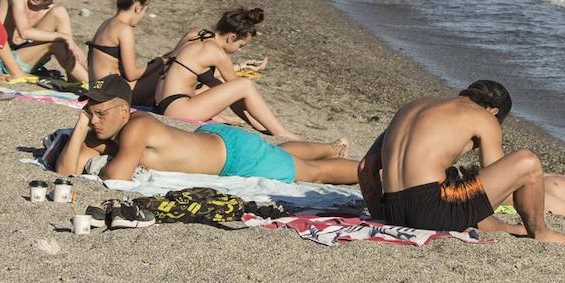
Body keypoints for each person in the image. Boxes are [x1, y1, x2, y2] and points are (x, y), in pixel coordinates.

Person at [357, 81, 565, 243]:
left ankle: (510, 228)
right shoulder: (483, 117)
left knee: (454, 186)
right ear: (494, 111)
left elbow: (365, 169)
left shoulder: (412, 108)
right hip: (430, 211)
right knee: (527, 162)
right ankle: (541, 232)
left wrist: (381, 214)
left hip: (393, 210)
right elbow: (496, 186)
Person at [55, 75, 355, 184]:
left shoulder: (138, 126)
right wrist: (81, 126)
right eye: (89, 113)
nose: (94, 121)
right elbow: (67, 171)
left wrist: (104, 156)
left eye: (98, 114)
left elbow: (117, 176)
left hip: (235, 157)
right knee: (276, 153)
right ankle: (330, 148)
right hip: (216, 142)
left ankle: (371, 171)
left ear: (124, 111)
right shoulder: (108, 128)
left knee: (313, 173)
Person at [149, 7, 298, 138]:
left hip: (160, 103)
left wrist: (258, 124)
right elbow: (238, 93)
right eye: (241, 45)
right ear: (231, 37)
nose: (240, 50)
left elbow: (184, 67)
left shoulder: (194, 34)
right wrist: (262, 118)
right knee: (244, 84)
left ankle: (264, 127)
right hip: (177, 112)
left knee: (220, 84)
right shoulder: (217, 54)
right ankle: (280, 132)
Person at [0, 0, 89, 84]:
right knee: (58, 42)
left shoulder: (53, 11)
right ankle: (96, 86)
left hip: (29, 59)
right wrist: (66, 37)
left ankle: (93, 81)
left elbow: (69, 47)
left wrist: (69, 42)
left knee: (60, 14)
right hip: (2, 59)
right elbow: (24, 32)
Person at [87, 0, 149, 83]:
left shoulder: (107, 23)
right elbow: (131, 74)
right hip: (109, 91)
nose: (143, 16)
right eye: (145, 11)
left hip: (95, 87)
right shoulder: (124, 29)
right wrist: (156, 65)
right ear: (137, 7)